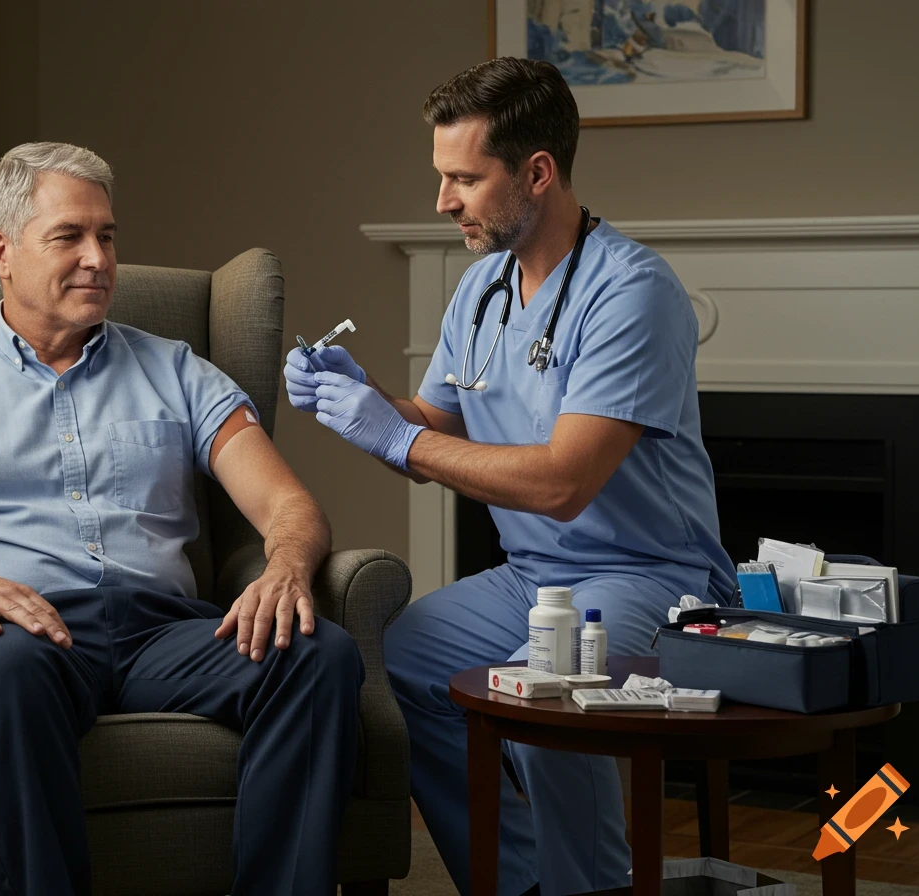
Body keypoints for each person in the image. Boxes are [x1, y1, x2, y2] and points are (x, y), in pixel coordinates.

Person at [0, 142, 363, 896]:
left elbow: (287, 504)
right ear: (1, 251)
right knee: (9, 672)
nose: (98, 258)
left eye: (107, 236)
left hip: (163, 631)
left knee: (317, 655)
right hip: (12, 631)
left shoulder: (178, 371)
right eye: (69, 236)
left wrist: (287, 567)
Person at [284, 58, 736, 895]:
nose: (443, 201)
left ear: (538, 172)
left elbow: (565, 482)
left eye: (464, 178)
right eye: (441, 177)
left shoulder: (631, 293)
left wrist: (393, 438)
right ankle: (521, 880)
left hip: (655, 579)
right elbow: (436, 430)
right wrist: (361, 397)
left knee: (542, 680)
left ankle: (591, 885)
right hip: (536, 576)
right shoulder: (482, 288)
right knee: (399, 654)